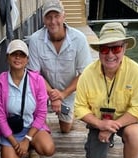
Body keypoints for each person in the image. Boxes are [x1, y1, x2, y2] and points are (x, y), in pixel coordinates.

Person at [74, 22, 138, 158]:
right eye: (104, 49)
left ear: (124, 49)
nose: (110, 55)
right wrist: (100, 124)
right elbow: (79, 107)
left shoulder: (136, 71)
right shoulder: (87, 73)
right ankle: (107, 140)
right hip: (99, 119)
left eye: (115, 49)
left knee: (134, 133)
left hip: (127, 119)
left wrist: (110, 127)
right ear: (99, 51)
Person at [28, 0, 92, 133]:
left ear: (64, 16)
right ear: (43, 19)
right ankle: (39, 127)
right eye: (48, 17)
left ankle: (69, 115)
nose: (53, 21)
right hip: (42, 89)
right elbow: (34, 73)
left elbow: (84, 74)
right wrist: (52, 94)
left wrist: (62, 94)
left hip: (68, 90)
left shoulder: (79, 39)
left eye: (56, 16)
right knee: (39, 124)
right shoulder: (35, 40)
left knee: (65, 129)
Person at [0, 39, 55, 158]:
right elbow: (0, 118)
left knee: (48, 148)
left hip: (33, 128)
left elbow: (42, 113)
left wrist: (27, 140)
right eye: (14, 54)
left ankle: (31, 146)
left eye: (22, 55)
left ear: (27, 59)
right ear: (7, 58)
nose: (18, 58)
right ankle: (15, 149)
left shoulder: (37, 80)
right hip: (12, 131)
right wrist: (15, 143)